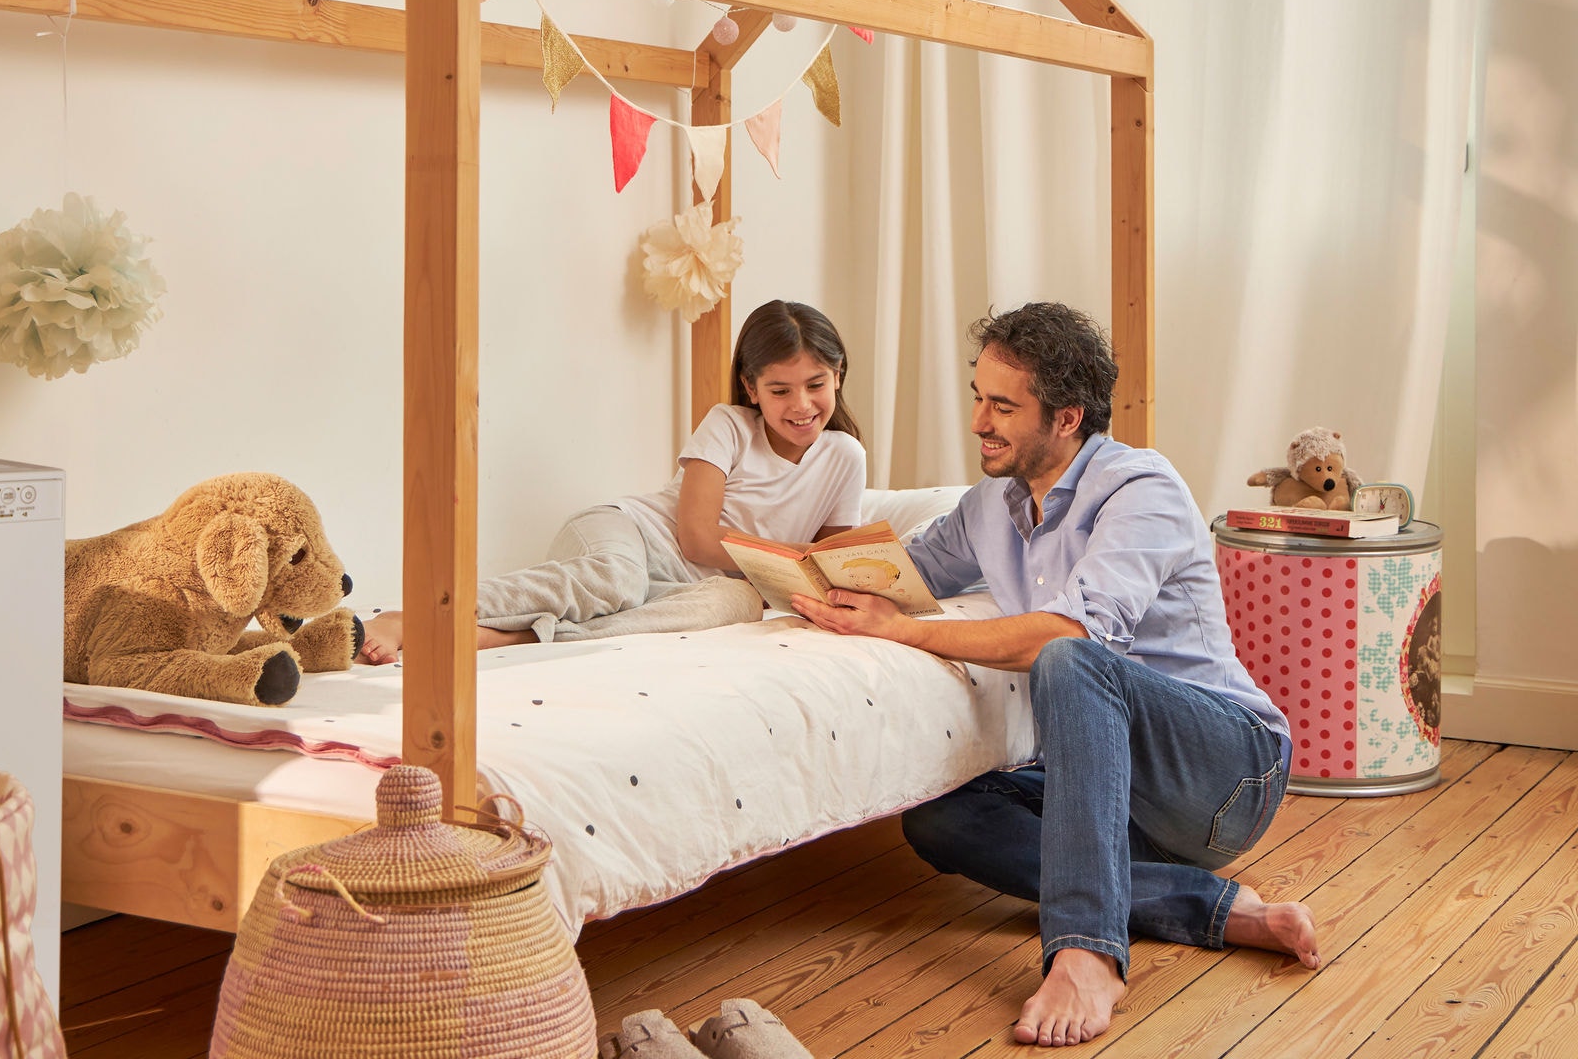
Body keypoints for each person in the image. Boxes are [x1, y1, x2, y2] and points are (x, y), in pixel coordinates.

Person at [790, 302, 1320, 1048]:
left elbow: (1073, 634)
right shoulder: (988, 507)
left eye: (1003, 406)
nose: (978, 421)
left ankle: (1090, 953)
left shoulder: (1143, 490)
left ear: (1067, 418)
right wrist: (787, 564)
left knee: (1069, 657)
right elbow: (897, 572)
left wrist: (903, 628)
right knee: (938, 817)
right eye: (978, 396)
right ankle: (1212, 908)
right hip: (1109, 795)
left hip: (1225, 773)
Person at [360, 299, 867, 662]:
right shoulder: (728, 425)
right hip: (630, 536)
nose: (801, 405)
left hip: (690, 588)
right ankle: (418, 615)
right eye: (780, 390)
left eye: (816, 385)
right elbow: (696, 537)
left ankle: (518, 641)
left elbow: (824, 566)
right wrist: (790, 553)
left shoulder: (845, 457)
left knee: (738, 604)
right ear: (751, 388)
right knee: (616, 580)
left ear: (838, 376)